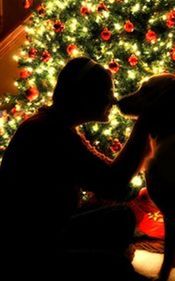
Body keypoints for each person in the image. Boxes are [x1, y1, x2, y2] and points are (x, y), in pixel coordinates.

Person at [0, 57, 150, 280]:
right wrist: (145, 122)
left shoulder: (54, 124)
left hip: (51, 226)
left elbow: (108, 176)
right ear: (85, 96)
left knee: (122, 217)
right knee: (117, 266)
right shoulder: (50, 132)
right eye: (108, 92)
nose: (114, 99)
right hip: (31, 246)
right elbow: (113, 182)